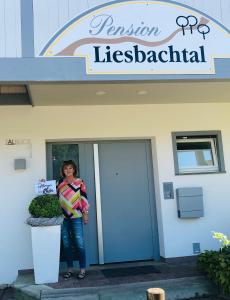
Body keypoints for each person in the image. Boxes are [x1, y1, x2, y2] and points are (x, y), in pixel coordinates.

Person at [57, 160, 89, 280]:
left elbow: (83, 198)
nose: (68, 170)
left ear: (74, 169)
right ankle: (69, 269)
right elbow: (52, 195)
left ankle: (82, 269)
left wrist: (86, 214)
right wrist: (43, 184)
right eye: (66, 168)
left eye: (70, 168)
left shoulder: (79, 182)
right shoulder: (59, 183)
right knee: (66, 245)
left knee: (79, 243)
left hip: (76, 216)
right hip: (63, 217)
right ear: (63, 170)